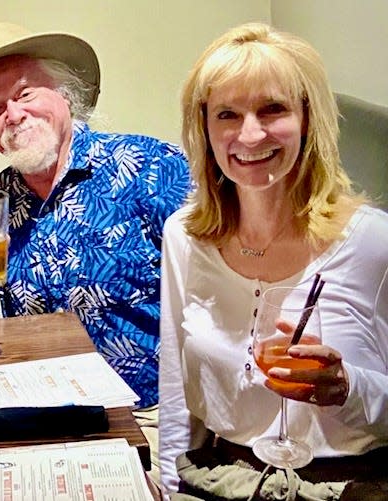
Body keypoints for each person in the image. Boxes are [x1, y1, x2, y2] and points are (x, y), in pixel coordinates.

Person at [0, 21, 190, 476]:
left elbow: (226, 275)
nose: (13, 115)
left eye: (25, 94)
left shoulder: (148, 166)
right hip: (42, 423)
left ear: (67, 95)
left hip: (153, 417)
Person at [159, 22, 388, 500]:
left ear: (308, 118)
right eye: (227, 113)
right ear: (204, 127)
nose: (249, 133)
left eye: (272, 109)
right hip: (222, 479)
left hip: (348, 485)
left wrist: (348, 388)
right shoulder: (184, 237)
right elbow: (179, 395)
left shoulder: (373, 243)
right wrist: (167, 483)